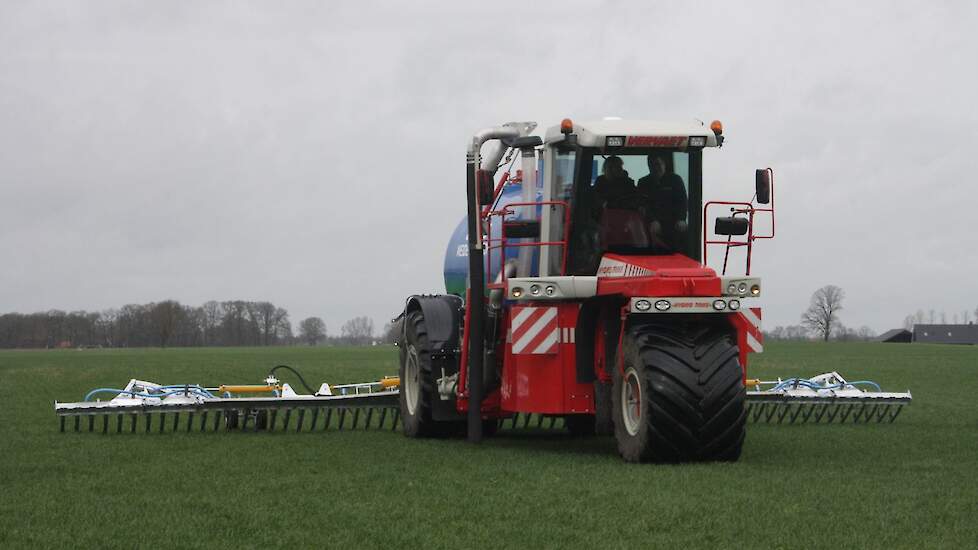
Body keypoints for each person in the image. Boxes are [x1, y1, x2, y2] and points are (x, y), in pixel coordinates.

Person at [637, 152, 688, 250]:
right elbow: (642, 204)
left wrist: (681, 218)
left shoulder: (675, 180)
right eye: (651, 165)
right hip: (652, 222)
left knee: (684, 233)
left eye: (658, 164)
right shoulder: (643, 182)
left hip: (674, 221)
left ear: (664, 164)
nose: (655, 168)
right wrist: (652, 220)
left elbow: (682, 201)